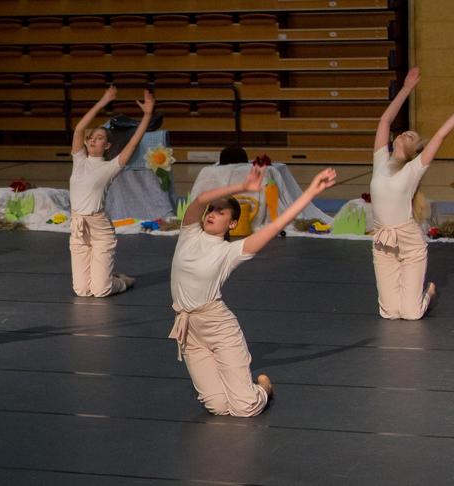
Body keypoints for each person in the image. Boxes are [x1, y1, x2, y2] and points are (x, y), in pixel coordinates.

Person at [168, 165, 337, 416]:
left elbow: (276, 225)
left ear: (232, 223)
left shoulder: (230, 252)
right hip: (188, 330)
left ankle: (264, 388)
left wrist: (311, 191)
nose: (212, 213)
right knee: (218, 407)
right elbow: (201, 199)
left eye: (221, 211)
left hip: (217, 326)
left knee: (245, 408)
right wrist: (243, 186)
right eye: (212, 210)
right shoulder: (189, 232)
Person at [370, 67, 446, 319]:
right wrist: (407, 88)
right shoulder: (381, 161)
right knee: (389, 313)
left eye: (411, 136)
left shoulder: (413, 169)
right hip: (383, 242)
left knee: (411, 314)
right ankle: (406, 293)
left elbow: (440, 136)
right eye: (404, 132)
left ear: (414, 150)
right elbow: (385, 121)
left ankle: (428, 293)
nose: (404, 133)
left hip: (409, 243)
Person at [69, 85, 154, 297]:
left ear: (107, 146)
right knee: (82, 291)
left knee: (100, 291)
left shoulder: (110, 167)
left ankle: (123, 281)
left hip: (99, 230)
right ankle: (107, 275)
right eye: (92, 137)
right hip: (78, 228)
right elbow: (79, 129)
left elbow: (132, 144)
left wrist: (147, 115)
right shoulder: (79, 160)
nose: (93, 139)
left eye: (99, 138)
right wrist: (102, 102)